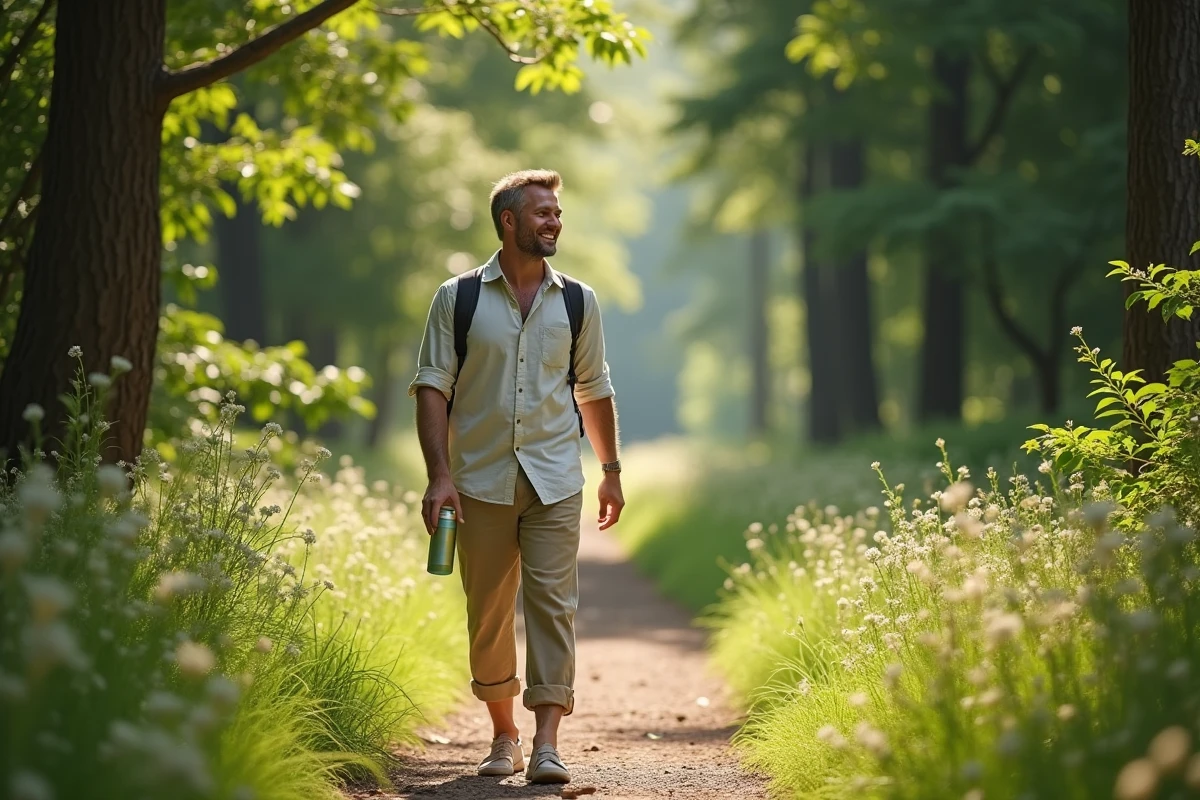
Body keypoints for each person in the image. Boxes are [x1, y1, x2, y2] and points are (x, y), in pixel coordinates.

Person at [408, 169, 625, 785]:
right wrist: (438, 477)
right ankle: (503, 736)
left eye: (557, 212)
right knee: (488, 612)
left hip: (557, 478)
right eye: (542, 213)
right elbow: (432, 387)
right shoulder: (459, 298)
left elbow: (594, 388)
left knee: (555, 606)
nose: (555, 221)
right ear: (509, 221)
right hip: (478, 482)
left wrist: (609, 470)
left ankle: (547, 741)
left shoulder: (578, 300)